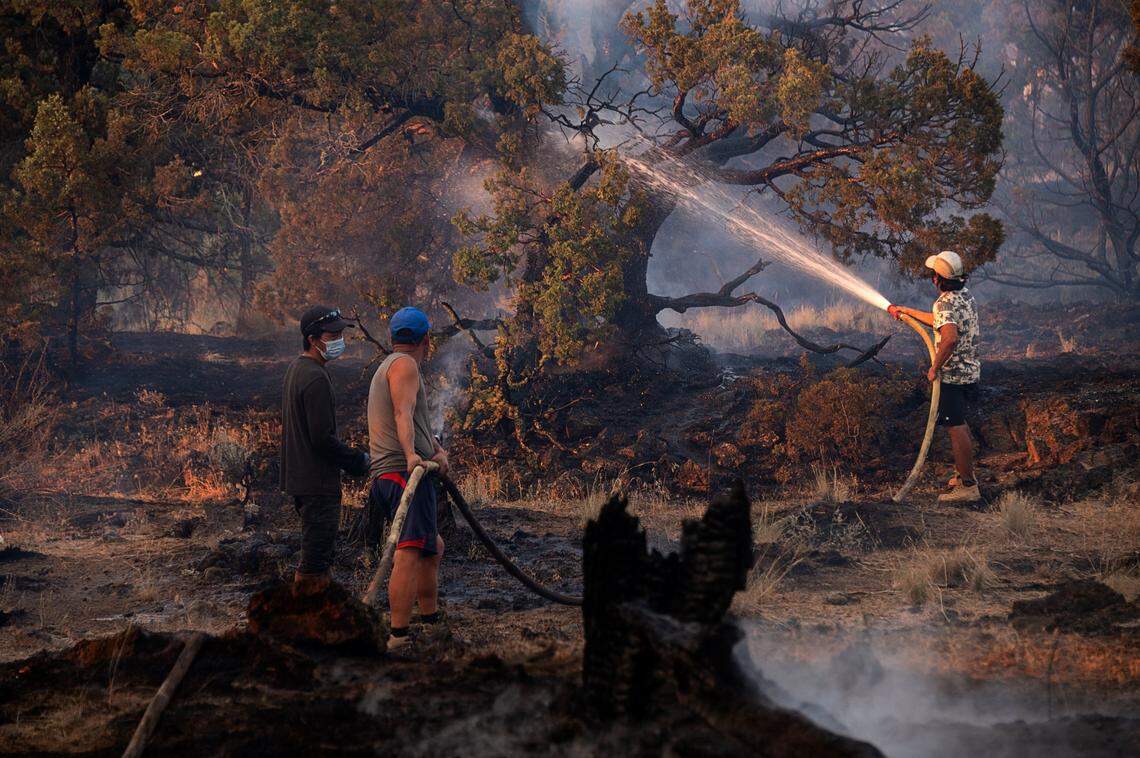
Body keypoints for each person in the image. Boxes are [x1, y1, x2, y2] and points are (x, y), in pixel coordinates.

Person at [366, 306, 450, 649]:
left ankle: (429, 619)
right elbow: (403, 414)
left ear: (391, 338)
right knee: (410, 550)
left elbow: (414, 422)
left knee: (433, 546)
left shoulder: (387, 366)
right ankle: (398, 635)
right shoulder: (405, 365)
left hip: (396, 472)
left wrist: (435, 451)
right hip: (403, 473)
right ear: (425, 340)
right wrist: (413, 455)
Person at [280, 305, 370, 592]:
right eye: (333, 334)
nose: (339, 339)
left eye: (341, 333)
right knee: (315, 561)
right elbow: (321, 439)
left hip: (302, 480)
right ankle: (305, 623)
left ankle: (317, 619)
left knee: (319, 556)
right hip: (317, 483)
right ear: (312, 338)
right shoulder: (316, 377)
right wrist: (358, 460)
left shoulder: (298, 368)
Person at [888, 250, 982, 503]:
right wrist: (906, 312)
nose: (931, 279)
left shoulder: (944, 302)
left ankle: (969, 487)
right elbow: (941, 321)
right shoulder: (964, 296)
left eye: (933, 275)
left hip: (952, 374)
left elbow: (949, 337)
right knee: (960, 424)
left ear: (938, 278)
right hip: (969, 371)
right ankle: (963, 475)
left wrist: (935, 367)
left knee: (956, 426)